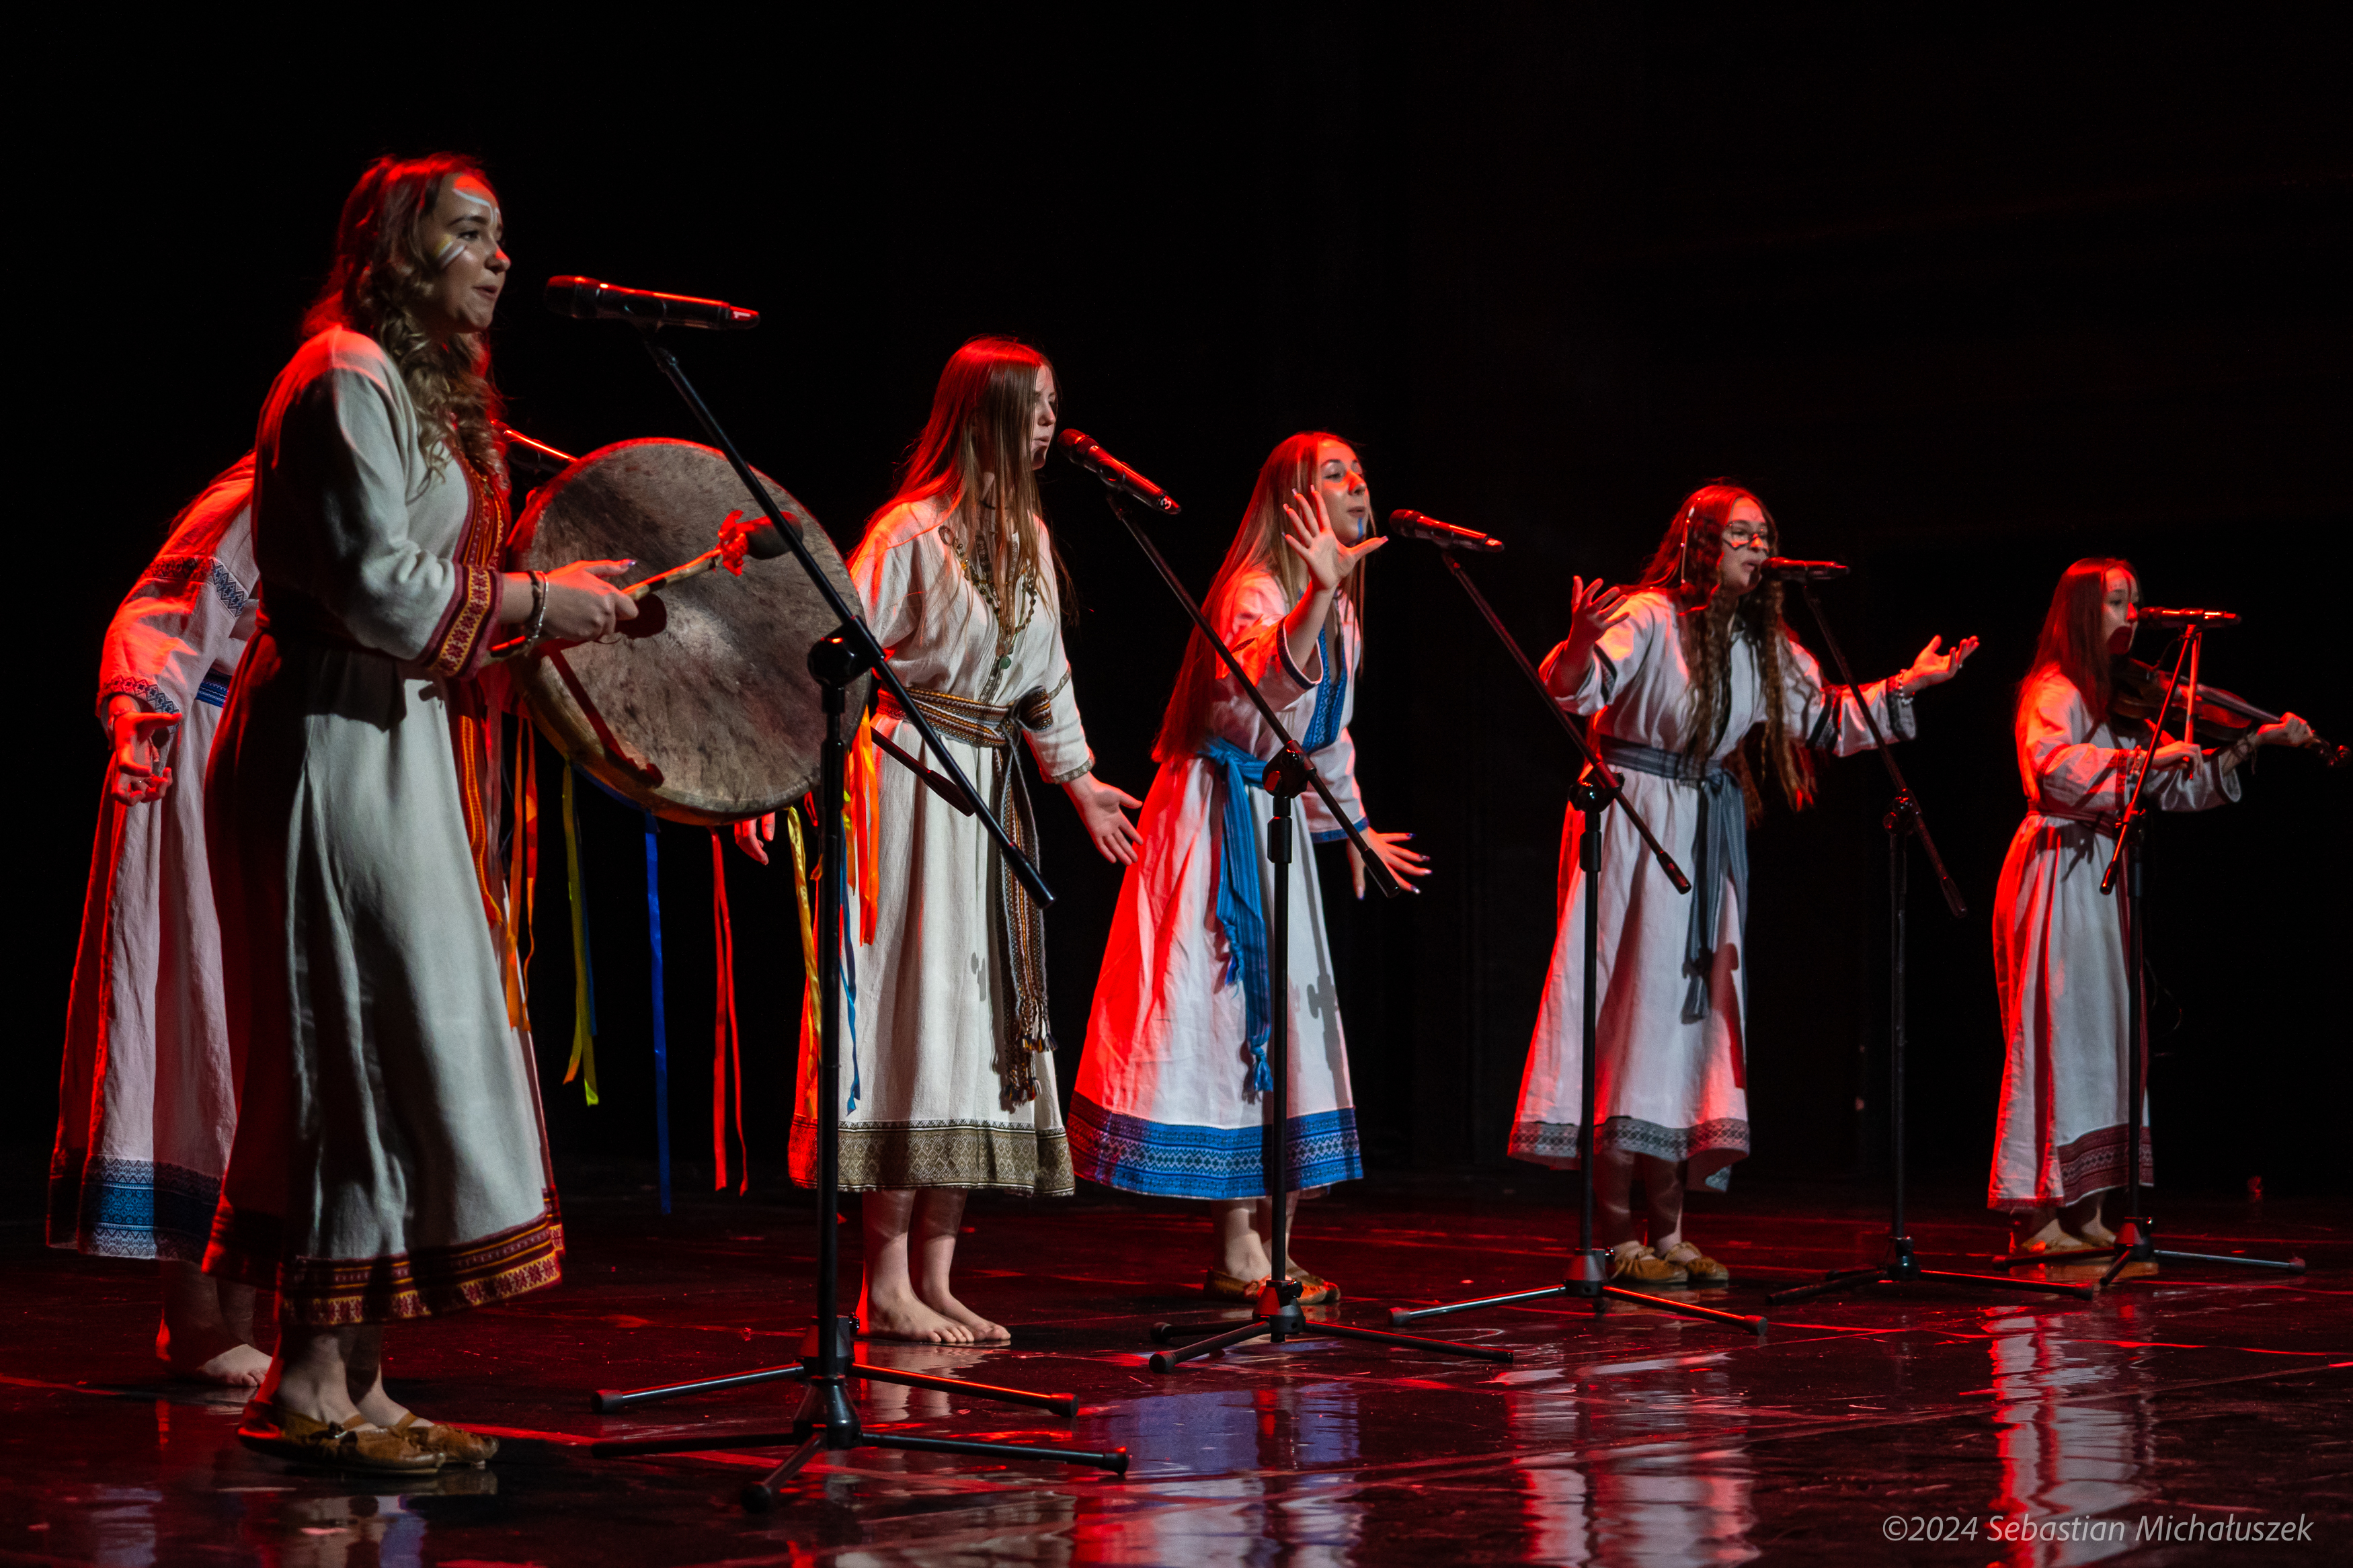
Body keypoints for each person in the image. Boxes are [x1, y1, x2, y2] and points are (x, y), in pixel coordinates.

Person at [204, 154, 636, 1472]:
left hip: (390, 727)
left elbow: (426, 586)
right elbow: (383, 583)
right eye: (469, 235)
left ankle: (359, 1377)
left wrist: (546, 600)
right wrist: (534, 603)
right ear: (397, 251)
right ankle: (304, 1382)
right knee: (351, 1037)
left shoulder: (419, 392)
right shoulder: (342, 374)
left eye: (503, 236)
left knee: (394, 1036)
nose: (499, 259)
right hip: (332, 729)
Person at [742, 337, 1140, 1346]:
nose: (1052, 422)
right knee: (912, 1016)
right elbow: (837, 666)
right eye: (1037, 406)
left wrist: (1080, 780)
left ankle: (937, 1272)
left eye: (1056, 404)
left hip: (986, 793)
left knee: (976, 1025)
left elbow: (1046, 681)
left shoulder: (1032, 541)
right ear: (990, 416)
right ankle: (883, 1280)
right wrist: (783, 779)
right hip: (909, 791)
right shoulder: (909, 535)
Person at [1511, 483, 1977, 1284]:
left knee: (1691, 1024)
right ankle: (1616, 1234)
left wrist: (1910, 683)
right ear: (1699, 544)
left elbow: (1827, 719)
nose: (1758, 549)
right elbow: (1574, 691)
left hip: (1705, 827)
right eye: (1741, 534)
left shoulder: (1764, 643)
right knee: (1631, 1013)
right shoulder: (1647, 616)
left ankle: (1669, 1232)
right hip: (1633, 817)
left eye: (1764, 535)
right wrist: (1582, 643)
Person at [1070, 433, 1426, 1302]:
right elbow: (1259, 695)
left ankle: (1280, 1242)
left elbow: (1324, 737)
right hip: (1215, 817)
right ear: (1292, 502)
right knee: (1233, 1015)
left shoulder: (1338, 611)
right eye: (1332, 471)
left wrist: (1357, 827)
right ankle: (1238, 1245)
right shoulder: (1259, 591)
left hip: (1276, 818)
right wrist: (1314, 596)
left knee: (1291, 1021)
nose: (1356, 480)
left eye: (1358, 469)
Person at [1987, 559, 2308, 1253]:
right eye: (2115, 603)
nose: (2131, 617)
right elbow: (2051, 769)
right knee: (2056, 1033)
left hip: (2103, 864)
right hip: (2058, 862)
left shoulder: (2122, 697)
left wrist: (2252, 742)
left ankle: (2090, 1208)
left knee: (2107, 1038)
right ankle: (2038, 1213)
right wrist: (2142, 764)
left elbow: (2176, 785)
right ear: (2080, 611)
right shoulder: (2053, 688)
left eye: (2135, 603)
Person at [51, 456, 268, 1385]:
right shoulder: (278, 478)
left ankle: (252, 1307)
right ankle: (199, 1315)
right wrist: (141, 709)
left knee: (258, 1036)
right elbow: (160, 609)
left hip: (280, 760)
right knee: (203, 1015)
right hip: (203, 753)